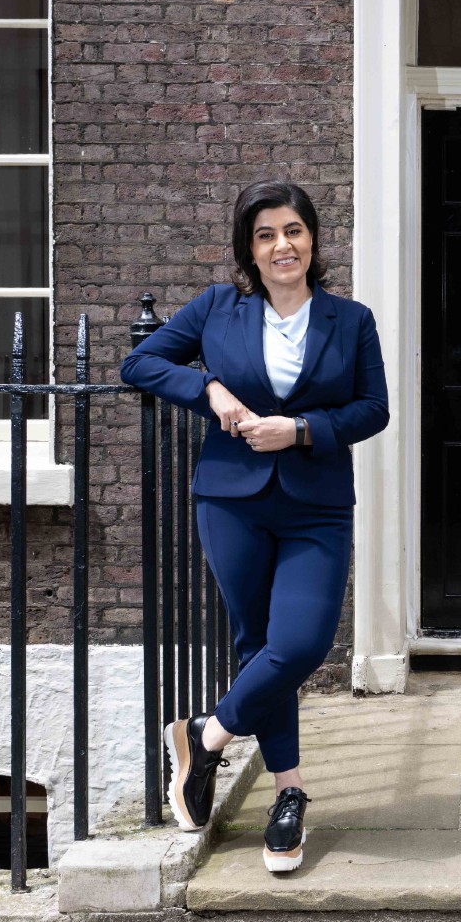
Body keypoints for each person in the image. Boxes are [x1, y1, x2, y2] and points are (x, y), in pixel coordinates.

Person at [121, 179, 389, 873]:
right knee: (257, 647)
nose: (282, 245)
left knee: (300, 644)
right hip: (231, 500)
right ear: (250, 246)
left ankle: (203, 736)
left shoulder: (349, 319)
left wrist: (300, 429)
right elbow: (141, 362)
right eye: (266, 233)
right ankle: (288, 796)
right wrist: (209, 389)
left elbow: (372, 409)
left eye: (293, 231)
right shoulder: (218, 308)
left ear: (313, 239)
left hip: (315, 506)